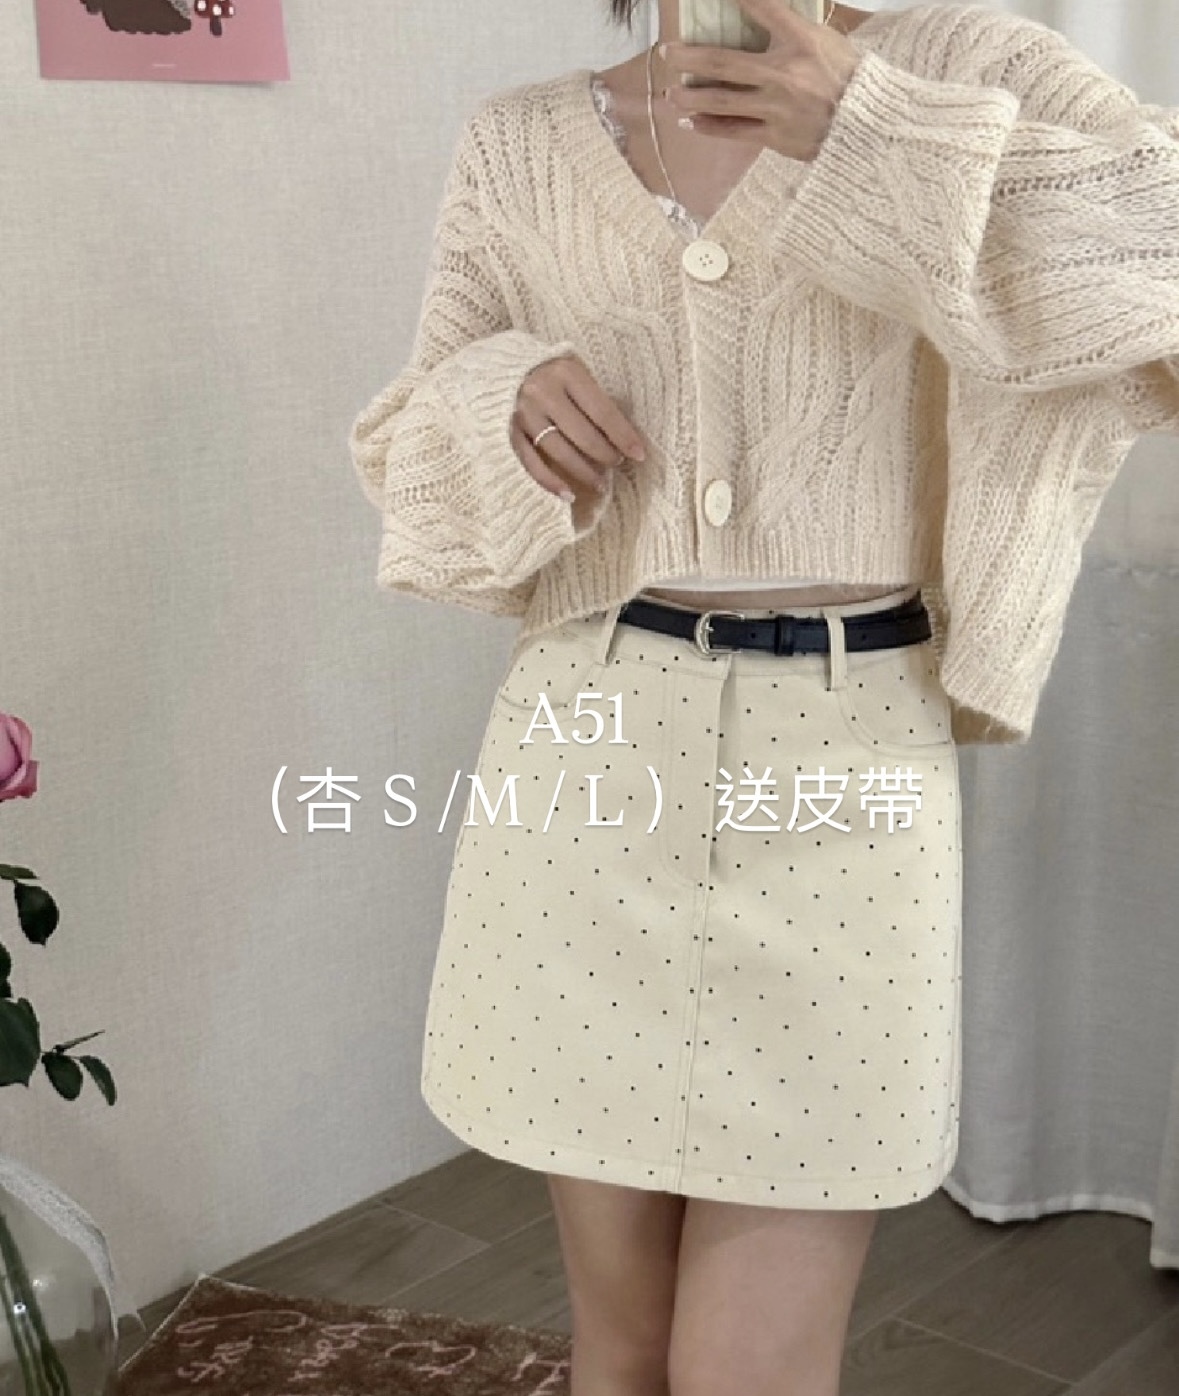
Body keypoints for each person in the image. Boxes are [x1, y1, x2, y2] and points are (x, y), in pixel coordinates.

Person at [350, 1, 1179, 1391]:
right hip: (587, 755)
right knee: (620, 1352)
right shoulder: (521, 144)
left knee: (757, 1369)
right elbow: (411, 437)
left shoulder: (966, 64)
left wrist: (872, 127)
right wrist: (502, 397)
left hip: (851, 779)